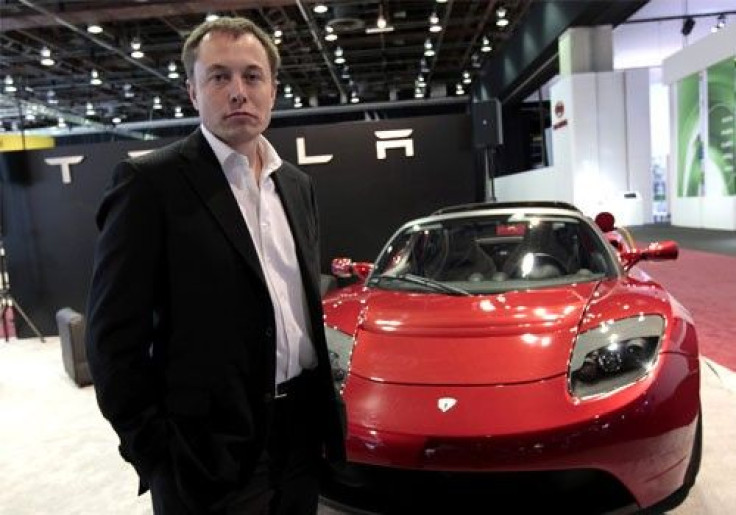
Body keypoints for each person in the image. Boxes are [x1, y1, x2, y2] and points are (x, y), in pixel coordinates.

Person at [85, 16, 345, 514]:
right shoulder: (149, 184)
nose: (238, 91)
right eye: (219, 76)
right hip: (206, 451)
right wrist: (155, 449)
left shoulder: (296, 185)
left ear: (272, 89)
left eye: (252, 76)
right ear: (193, 90)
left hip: (301, 439)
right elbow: (112, 338)